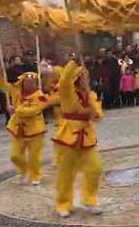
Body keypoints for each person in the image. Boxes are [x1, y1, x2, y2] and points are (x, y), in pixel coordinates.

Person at [52, 60, 104, 218]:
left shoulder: (91, 95)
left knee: (95, 167)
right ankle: (63, 203)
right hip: (68, 135)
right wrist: (74, 63)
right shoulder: (67, 91)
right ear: (77, 78)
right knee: (66, 172)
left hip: (87, 136)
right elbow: (64, 80)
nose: (85, 80)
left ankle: (89, 200)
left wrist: (94, 110)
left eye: (86, 77)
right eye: (83, 77)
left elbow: (98, 116)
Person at [0, 70, 47, 186]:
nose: (29, 84)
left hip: (35, 131)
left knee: (34, 157)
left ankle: (36, 175)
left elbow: (34, 110)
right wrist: (1, 76)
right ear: (23, 82)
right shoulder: (15, 91)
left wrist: (16, 110)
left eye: (32, 82)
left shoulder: (40, 96)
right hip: (18, 129)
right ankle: (23, 171)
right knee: (15, 156)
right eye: (27, 81)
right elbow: (3, 85)